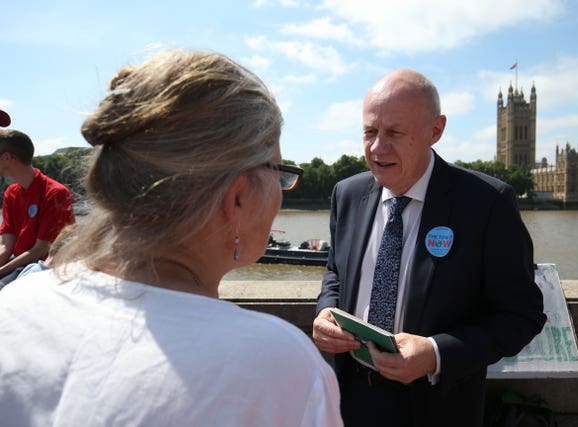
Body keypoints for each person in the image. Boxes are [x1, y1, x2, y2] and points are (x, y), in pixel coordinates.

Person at [0, 49, 342, 426]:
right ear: (239, 196)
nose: (282, 190)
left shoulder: (14, 304)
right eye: (278, 171)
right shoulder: (280, 368)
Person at [312, 68, 546, 426]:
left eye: (394, 133)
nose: (377, 148)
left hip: (437, 407)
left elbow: (522, 314)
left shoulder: (487, 203)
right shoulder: (348, 194)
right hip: (350, 398)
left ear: (435, 131)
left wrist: (437, 353)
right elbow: (335, 273)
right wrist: (327, 311)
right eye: (370, 132)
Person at [0, 129, 76, 288]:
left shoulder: (56, 193)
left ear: (7, 157)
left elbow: (41, 249)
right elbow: (7, 244)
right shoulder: (11, 193)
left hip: (45, 267)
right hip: (20, 263)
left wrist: (2, 271)